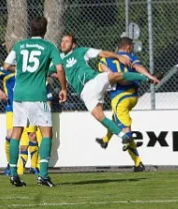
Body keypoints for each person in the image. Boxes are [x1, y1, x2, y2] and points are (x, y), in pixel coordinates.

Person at [56, 33, 159, 153]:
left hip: (94, 81)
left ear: (73, 45)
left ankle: (147, 78)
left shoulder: (81, 51)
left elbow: (102, 53)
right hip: (84, 93)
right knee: (99, 116)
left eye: (67, 41)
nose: (63, 43)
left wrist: (118, 57)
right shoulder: (58, 61)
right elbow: (52, 72)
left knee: (114, 75)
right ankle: (124, 137)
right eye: (62, 41)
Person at [2, 17, 68, 188]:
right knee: (46, 133)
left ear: (30, 30)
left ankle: (14, 174)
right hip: (37, 95)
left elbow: (6, 65)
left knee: (17, 133)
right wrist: (63, 88)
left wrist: (20, 70)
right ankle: (43, 175)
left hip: (19, 95)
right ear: (45, 30)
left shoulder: (20, 45)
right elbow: (60, 68)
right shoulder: (49, 47)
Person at [96, 37, 159, 172]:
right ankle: (105, 140)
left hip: (119, 97)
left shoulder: (106, 59)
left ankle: (137, 160)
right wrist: (149, 76)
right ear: (129, 47)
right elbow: (138, 67)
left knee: (125, 130)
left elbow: (104, 70)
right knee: (115, 119)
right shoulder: (130, 57)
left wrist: (113, 77)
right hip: (133, 95)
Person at [0, 67, 49, 176]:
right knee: (10, 136)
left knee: (32, 136)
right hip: (12, 109)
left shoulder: (27, 67)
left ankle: (34, 167)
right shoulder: (5, 70)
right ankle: (10, 164)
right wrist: (0, 93)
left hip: (28, 107)